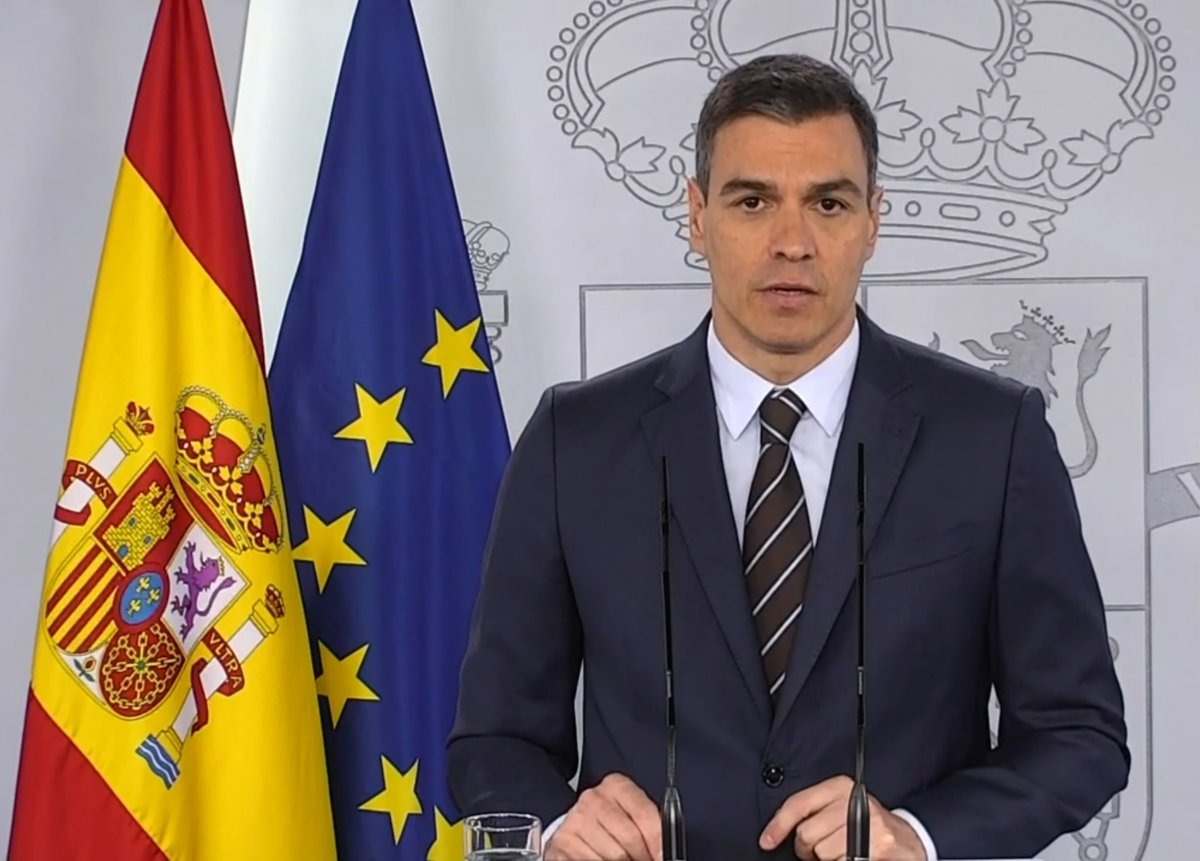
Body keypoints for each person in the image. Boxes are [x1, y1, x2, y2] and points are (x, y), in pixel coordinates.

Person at [447, 54, 1128, 861]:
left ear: (872, 220)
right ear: (698, 216)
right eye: (752, 200)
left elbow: (1079, 733)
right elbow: (493, 740)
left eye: (828, 203)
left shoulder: (993, 436)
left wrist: (919, 834)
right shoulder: (575, 440)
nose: (792, 243)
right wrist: (562, 822)